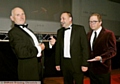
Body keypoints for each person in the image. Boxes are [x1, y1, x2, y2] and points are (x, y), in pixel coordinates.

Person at [8, 7, 45, 81]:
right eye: (18, 15)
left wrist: (48, 45)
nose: (21, 17)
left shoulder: (28, 30)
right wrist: (39, 48)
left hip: (37, 67)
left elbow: (33, 45)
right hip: (28, 71)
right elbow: (22, 53)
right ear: (12, 18)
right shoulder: (13, 32)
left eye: (23, 14)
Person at [55, 11, 89, 84]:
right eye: (60, 19)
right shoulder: (59, 31)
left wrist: (85, 64)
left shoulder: (80, 29)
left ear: (70, 19)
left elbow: (85, 48)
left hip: (77, 63)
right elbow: (58, 49)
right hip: (65, 63)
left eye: (63, 18)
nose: (61, 21)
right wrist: (57, 63)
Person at [87, 13, 117, 84]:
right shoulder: (88, 34)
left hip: (103, 69)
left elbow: (113, 50)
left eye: (94, 21)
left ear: (100, 22)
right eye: (90, 22)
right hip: (92, 69)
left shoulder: (109, 34)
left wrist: (101, 57)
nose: (92, 24)